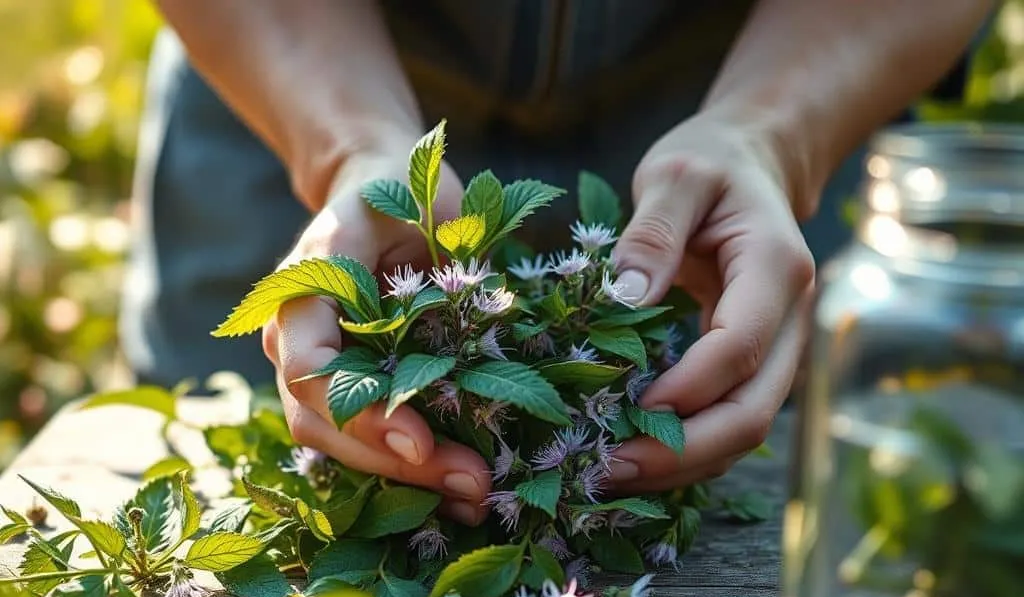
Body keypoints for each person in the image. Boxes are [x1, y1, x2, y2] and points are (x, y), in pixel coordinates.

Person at [122, 0, 993, 524]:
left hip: (769, 105)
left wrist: (773, 134)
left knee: (758, 481)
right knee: (248, 449)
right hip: (295, 78)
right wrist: (347, 143)